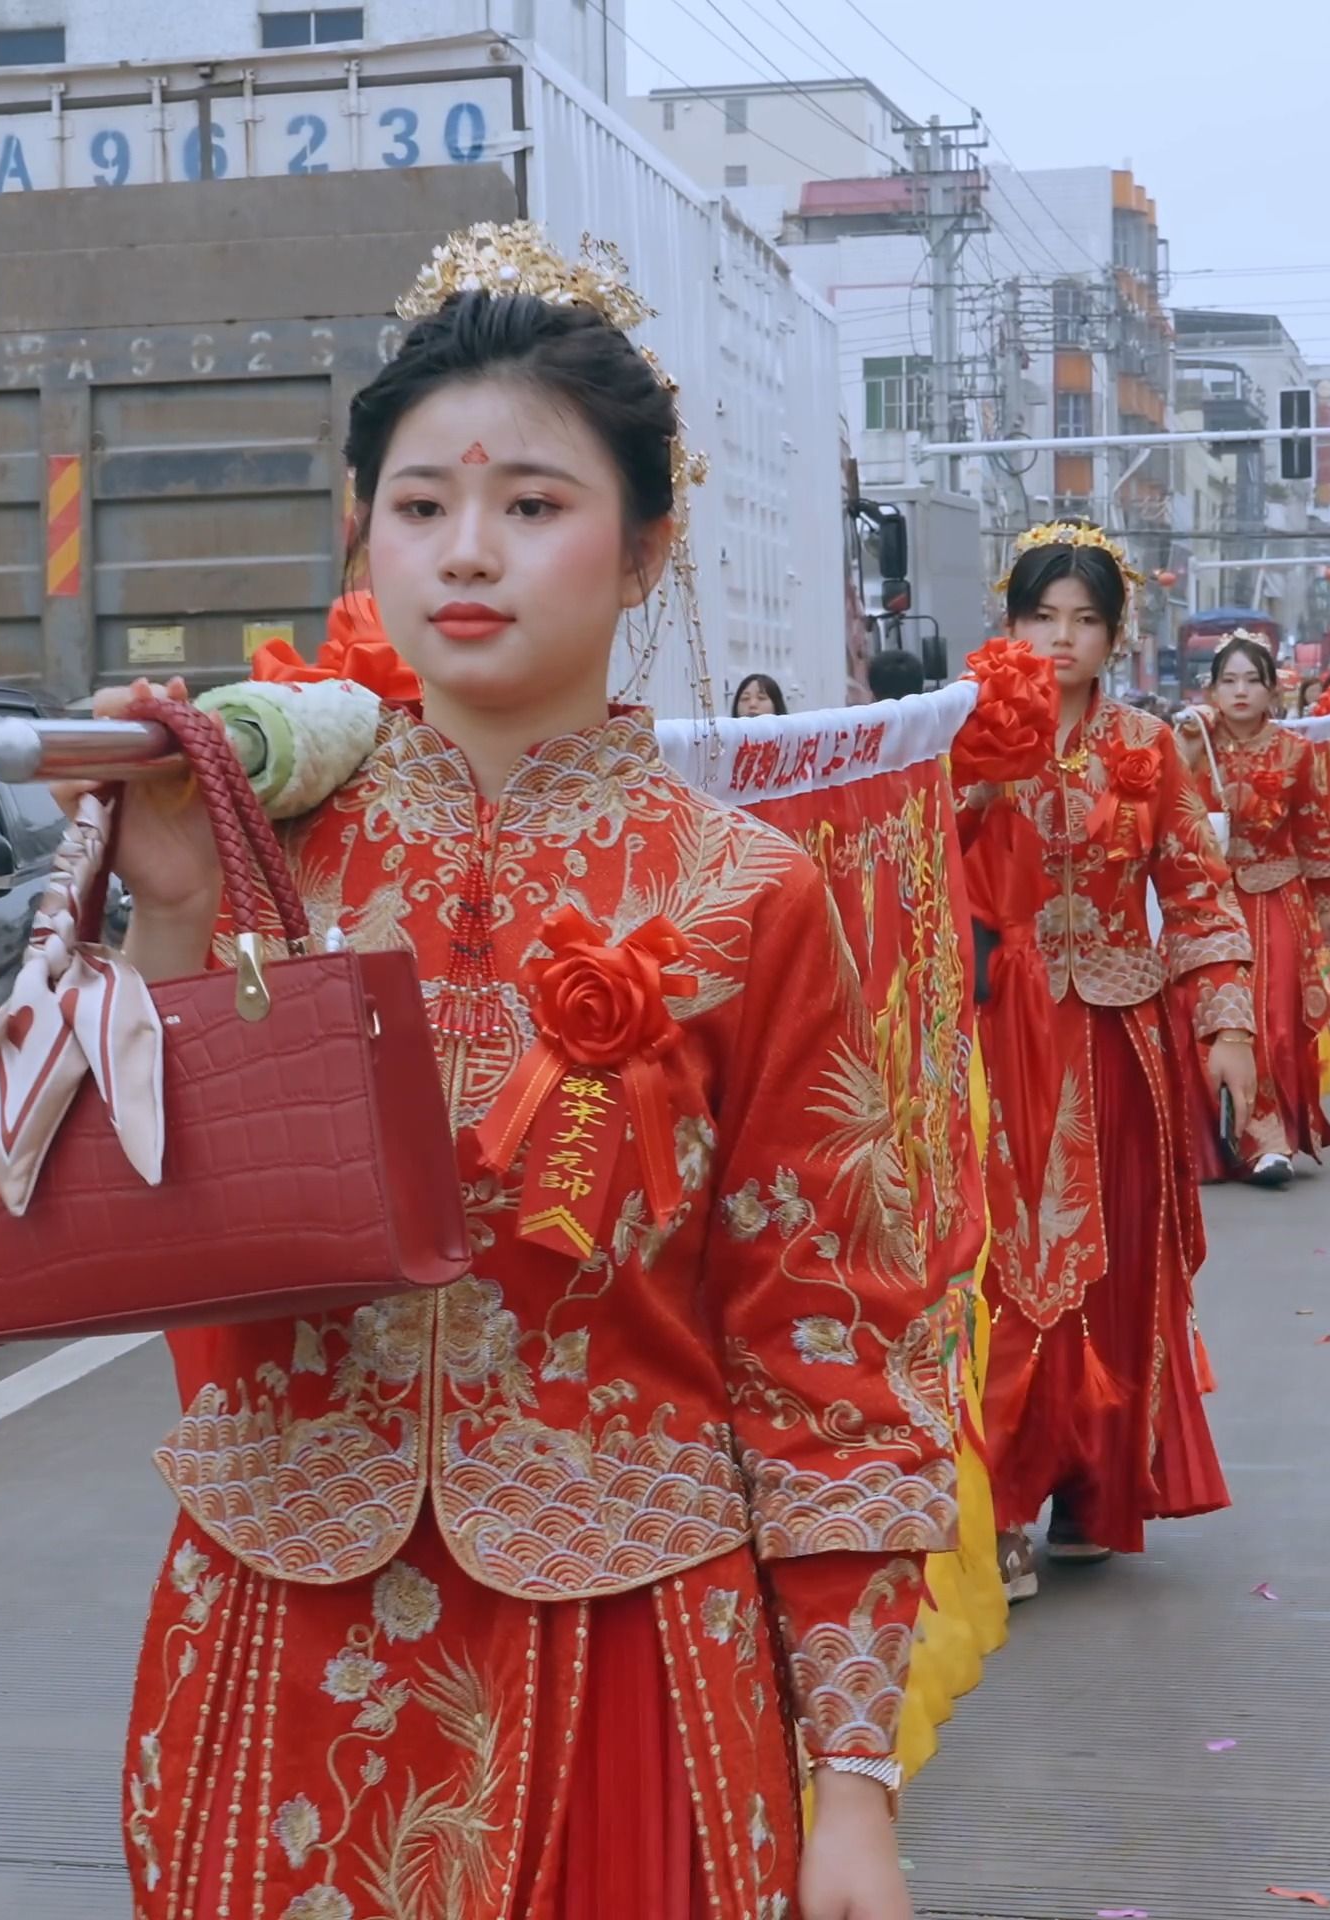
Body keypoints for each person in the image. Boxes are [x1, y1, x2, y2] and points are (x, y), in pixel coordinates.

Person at [98, 224, 951, 1920]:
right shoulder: (261, 853)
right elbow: (150, 1233)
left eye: (533, 506)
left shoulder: (744, 896)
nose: (465, 553)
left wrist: (848, 1782)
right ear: (363, 534)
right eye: (419, 507)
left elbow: (828, 1343)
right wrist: (175, 925)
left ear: (645, 549)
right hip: (286, 1618)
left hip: (623, 1643)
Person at [963, 519, 1250, 1596]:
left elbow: (1195, 889)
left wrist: (1227, 1027)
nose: (1063, 640)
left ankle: (1095, 1483)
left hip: (1123, 1035)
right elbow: (913, 871)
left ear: (1116, 636)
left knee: (1119, 1270)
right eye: (1044, 617)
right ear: (1011, 625)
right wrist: (975, 795)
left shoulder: (1143, 748)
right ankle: (999, 1499)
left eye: (1086, 621)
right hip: (1001, 1033)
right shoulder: (962, 734)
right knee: (1012, 1271)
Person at [1177, 635, 1330, 1188]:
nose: (1241, 691)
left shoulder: (1297, 753)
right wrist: (1187, 750)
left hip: (1275, 895)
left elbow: (1317, 832)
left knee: (1268, 1019)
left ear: (1273, 688)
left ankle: (1269, 1141)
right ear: (1211, 690)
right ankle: (1207, 1142)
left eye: (1252, 680)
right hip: (1206, 898)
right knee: (1202, 1018)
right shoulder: (1191, 742)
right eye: (1229, 680)